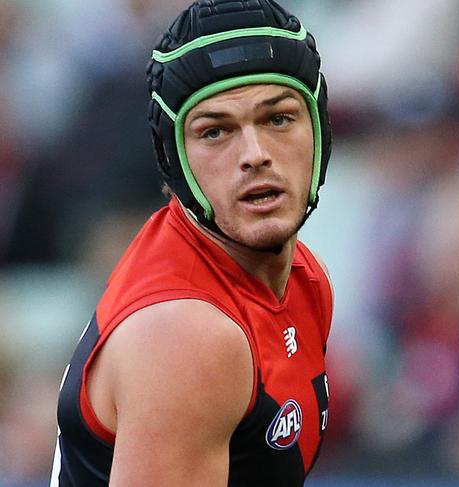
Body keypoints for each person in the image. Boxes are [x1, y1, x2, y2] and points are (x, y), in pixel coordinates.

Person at [49, 0, 334, 485]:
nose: (255, 155)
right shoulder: (187, 334)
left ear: (320, 130)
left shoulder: (303, 276)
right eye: (216, 131)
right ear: (174, 158)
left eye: (278, 119)